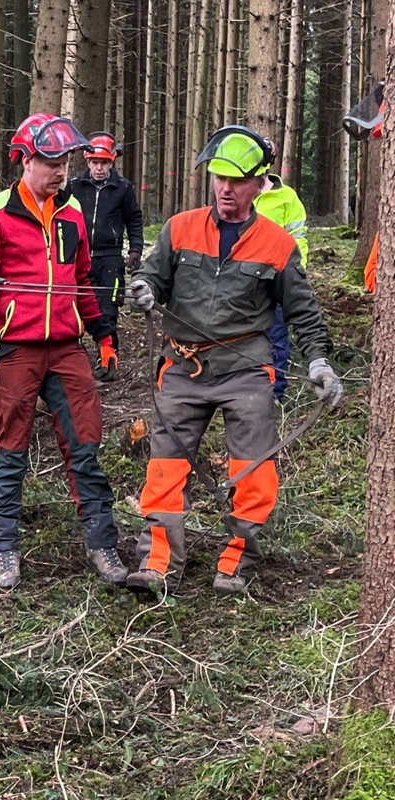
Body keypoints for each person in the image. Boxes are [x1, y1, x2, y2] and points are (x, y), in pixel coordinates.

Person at [123, 126, 343, 597]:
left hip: (246, 370)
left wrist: (319, 362)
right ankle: (158, 563)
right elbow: (152, 276)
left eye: (237, 181)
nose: (225, 189)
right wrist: (144, 289)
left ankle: (236, 561)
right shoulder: (180, 227)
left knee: (254, 472)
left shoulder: (277, 243)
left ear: (259, 184)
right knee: (164, 469)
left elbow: (303, 311)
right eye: (219, 177)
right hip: (182, 366)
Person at [0, 112, 126, 591]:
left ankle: (102, 543)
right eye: (51, 162)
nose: (60, 171)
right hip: (15, 348)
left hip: (66, 348)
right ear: (25, 160)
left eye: (64, 162)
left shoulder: (71, 213)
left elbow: (83, 281)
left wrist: (103, 334)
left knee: (85, 445)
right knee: (11, 449)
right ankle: (4, 547)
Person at [66, 131, 144, 379]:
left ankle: (109, 357)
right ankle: (73, 360)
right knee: (73, 308)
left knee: (108, 308)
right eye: (95, 162)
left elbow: (134, 219)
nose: (99, 168)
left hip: (110, 257)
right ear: (87, 161)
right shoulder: (73, 186)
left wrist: (135, 249)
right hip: (77, 256)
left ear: (112, 162)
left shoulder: (123, 188)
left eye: (104, 163)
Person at [254, 163, 310, 403]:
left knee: (276, 335)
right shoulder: (239, 192)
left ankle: (275, 391)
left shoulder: (287, 197)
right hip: (242, 279)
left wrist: (295, 274)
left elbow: (298, 238)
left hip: (275, 277)